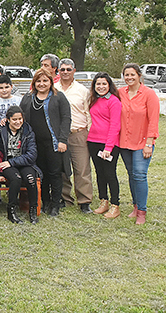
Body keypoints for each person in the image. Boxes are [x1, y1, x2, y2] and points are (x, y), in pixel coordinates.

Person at [20, 68, 71, 216]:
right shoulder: (28, 98)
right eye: (38, 81)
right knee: (41, 175)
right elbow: (20, 117)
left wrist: (62, 140)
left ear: (50, 82)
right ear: (34, 83)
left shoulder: (58, 97)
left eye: (45, 81)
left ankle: (55, 204)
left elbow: (66, 119)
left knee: (55, 173)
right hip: (35, 144)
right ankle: (45, 201)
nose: (41, 84)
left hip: (53, 143)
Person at [118, 63, 159, 225]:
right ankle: (135, 206)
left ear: (139, 76)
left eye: (132, 75)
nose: (129, 78)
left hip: (142, 142)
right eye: (126, 75)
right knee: (131, 174)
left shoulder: (149, 94)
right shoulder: (121, 93)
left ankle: (142, 211)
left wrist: (149, 142)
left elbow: (154, 119)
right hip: (124, 142)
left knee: (140, 175)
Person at [54, 58, 93, 213]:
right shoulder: (54, 88)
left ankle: (84, 201)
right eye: (62, 69)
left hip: (78, 132)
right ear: (58, 71)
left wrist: (89, 133)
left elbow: (88, 113)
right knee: (62, 169)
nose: (65, 72)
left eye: (68, 69)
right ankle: (65, 199)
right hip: (59, 135)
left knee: (82, 168)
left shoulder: (82, 90)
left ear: (74, 71)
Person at [0, 106, 41, 224]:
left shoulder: (28, 131)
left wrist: (12, 162)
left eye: (20, 119)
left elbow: (32, 154)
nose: (18, 122)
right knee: (16, 179)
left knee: (31, 179)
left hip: (24, 162)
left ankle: (32, 210)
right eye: (14, 119)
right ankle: (11, 211)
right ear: (8, 119)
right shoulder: (1, 130)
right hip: (7, 163)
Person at [87, 73, 122, 219]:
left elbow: (115, 125)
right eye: (98, 84)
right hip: (93, 141)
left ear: (109, 85)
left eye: (104, 84)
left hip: (109, 143)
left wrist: (108, 147)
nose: (101, 87)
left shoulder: (114, 101)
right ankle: (104, 201)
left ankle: (115, 205)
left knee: (110, 173)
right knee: (99, 173)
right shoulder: (94, 100)